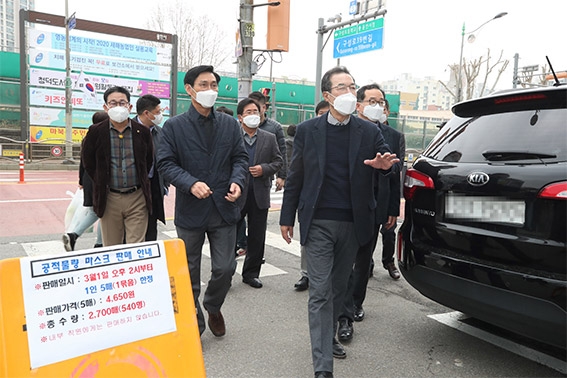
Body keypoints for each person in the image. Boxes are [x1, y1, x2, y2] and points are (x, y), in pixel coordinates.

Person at [279, 66, 399, 378]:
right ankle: (323, 368)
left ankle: (327, 337)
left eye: (351, 87)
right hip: (318, 221)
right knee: (319, 291)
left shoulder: (368, 131)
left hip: (354, 224)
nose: (348, 93)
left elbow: (388, 163)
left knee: (336, 288)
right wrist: (286, 216)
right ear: (328, 95)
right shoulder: (309, 130)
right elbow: (297, 176)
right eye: (342, 87)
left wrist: (383, 167)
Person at [156, 65, 248, 338]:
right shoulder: (173, 127)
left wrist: (238, 181)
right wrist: (190, 183)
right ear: (190, 89)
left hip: (224, 207)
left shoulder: (230, 125)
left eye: (214, 85)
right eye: (204, 84)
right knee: (189, 271)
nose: (211, 90)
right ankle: (194, 319)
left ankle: (213, 305)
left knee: (225, 267)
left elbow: (240, 159)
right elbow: (165, 163)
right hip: (191, 210)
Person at [338, 84, 406, 344]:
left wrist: (392, 209)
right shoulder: (346, 129)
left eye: (380, 101)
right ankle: (341, 312)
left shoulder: (393, 135)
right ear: (359, 104)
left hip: (377, 205)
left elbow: (394, 175)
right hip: (348, 205)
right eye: (371, 101)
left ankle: (356, 303)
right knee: (345, 260)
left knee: (364, 259)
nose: (376, 106)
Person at [81, 86, 153, 246]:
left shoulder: (143, 132)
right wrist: (101, 179)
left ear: (130, 106)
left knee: (136, 246)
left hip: (137, 197)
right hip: (109, 197)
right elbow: (88, 161)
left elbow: (148, 161)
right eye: (113, 103)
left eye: (122, 102)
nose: (118, 106)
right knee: (112, 247)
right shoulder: (95, 131)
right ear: (105, 107)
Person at [235, 98, 283, 288]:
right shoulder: (232, 136)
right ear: (240, 117)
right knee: (230, 233)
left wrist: (264, 168)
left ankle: (251, 273)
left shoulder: (268, 138)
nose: (253, 115)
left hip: (259, 193)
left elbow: (278, 161)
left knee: (257, 236)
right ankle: (225, 271)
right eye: (248, 112)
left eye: (256, 111)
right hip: (236, 193)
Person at [293, 100, 332, 291]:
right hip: (310, 201)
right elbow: (296, 174)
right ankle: (306, 275)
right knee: (306, 241)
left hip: (331, 204)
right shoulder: (308, 134)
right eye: (321, 113)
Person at [62, 111, 107, 251]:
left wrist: (81, 180)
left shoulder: (87, 138)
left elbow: (83, 162)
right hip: (100, 179)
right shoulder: (105, 137)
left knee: (97, 211)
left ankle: (76, 236)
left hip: (88, 179)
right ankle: (97, 243)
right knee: (104, 212)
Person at [135, 94, 168, 241]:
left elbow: (167, 159)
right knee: (133, 228)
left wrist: (164, 185)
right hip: (133, 187)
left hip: (154, 186)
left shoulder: (160, 133)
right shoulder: (128, 130)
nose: (160, 115)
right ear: (147, 113)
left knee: (151, 227)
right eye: (158, 112)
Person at [247, 91, 287, 191]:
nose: (252, 112)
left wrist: (281, 176)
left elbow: (281, 153)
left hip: (264, 179)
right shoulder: (240, 127)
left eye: (256, 108)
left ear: (264, 107)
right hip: (242, 178)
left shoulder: (275, 128)